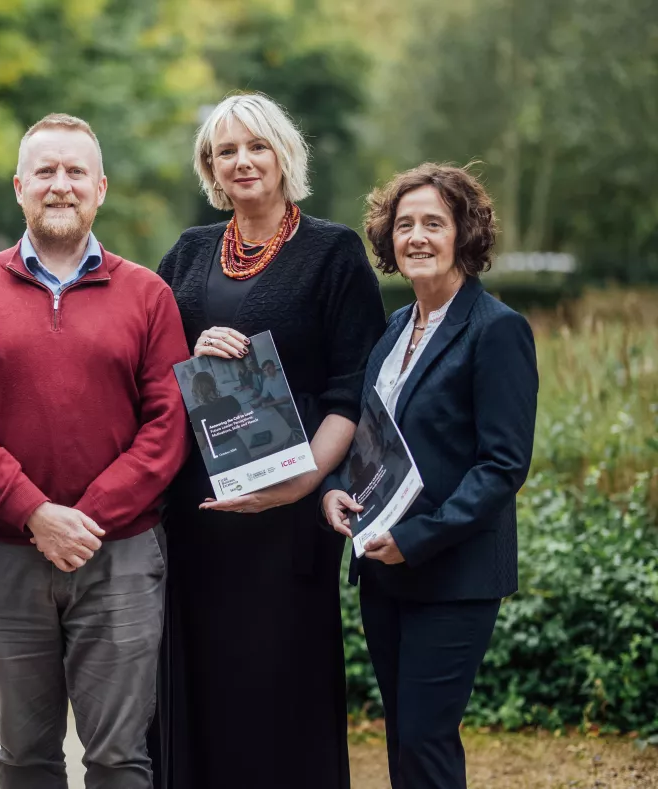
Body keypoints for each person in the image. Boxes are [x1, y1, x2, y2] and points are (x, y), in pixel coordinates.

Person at [0, 113, 190, 788]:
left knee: (118, 758)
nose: (60, 184)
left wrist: (87, 516)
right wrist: (35, 513)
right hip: (7, 557)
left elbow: (167, 424)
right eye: (45, 171)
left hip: (123, 556)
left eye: (76, 171)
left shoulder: (148, 294)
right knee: (26, 756)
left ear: (100, 188)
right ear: (19, 187)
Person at [151, 92, 387, 789]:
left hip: (290, 511)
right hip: (198, 509)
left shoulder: (333, 251)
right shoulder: (189, 253)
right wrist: (187, 347)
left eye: (256, 146)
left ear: (285, 154)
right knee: (200, 678)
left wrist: (303, 482)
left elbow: (354, 389)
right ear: (211, 168)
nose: (243, 161)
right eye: (227, 150)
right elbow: (149, 363)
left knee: (279, 683)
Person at [322, 163, 538, 789]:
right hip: (384, 570)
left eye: (433, 224)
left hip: (452, 573)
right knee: (402, 738)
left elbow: (502, 467)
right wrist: (337, 486)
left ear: (463, 233)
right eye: (404, 224)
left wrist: (416, 539)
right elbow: (370, 436)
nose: (416, 236)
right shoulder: (393, 330)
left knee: (425, 740)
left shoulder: (497, 330)